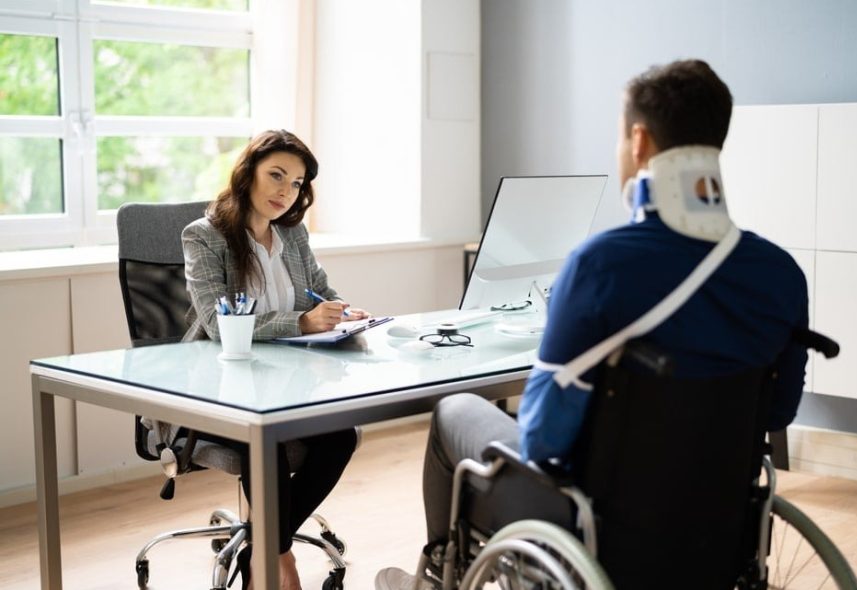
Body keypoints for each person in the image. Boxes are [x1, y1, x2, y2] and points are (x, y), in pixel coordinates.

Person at [375, 59, 809, 590]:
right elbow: (779, 410)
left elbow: (542, 440)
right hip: (718, 517)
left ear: (640, 141)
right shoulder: (780, 272)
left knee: (454, 411)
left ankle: (437, 579)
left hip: (602, 521)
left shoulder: (603, 265)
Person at [182, 129, 366, 590]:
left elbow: (323, 291)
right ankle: (279, 560)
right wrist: (301, 323)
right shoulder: (205, 237)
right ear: (248, 174)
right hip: (222, 387)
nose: (286, 192)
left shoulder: (292, 234)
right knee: (265, 441)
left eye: (298, 183)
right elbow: (213, 322)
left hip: (290, 382)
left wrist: (344, 312)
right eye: (277, 176)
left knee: (340, 435)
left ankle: (264, 548)